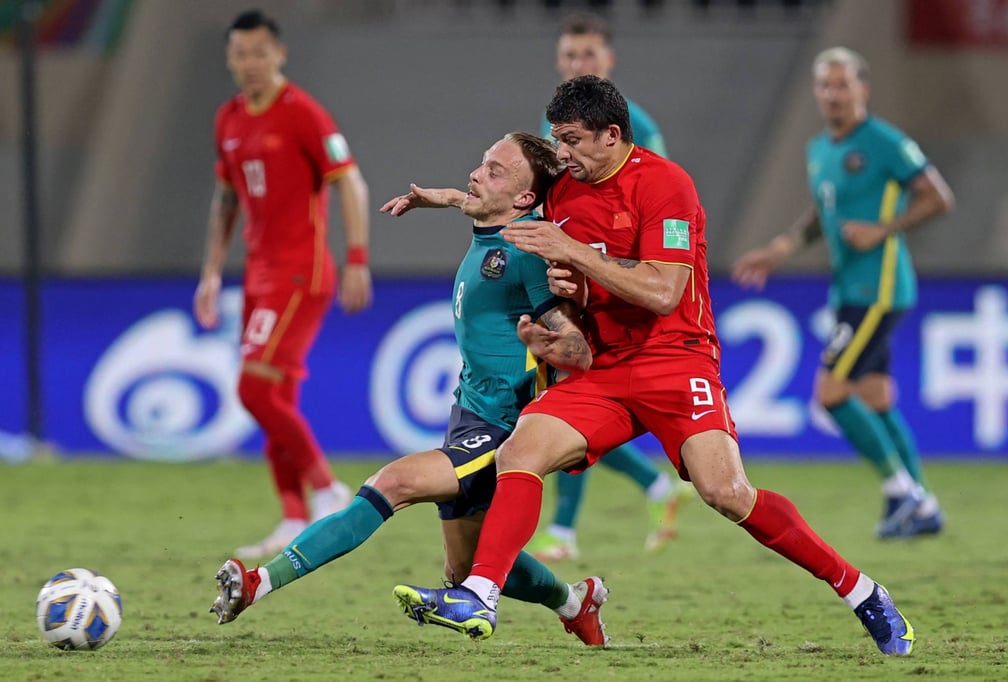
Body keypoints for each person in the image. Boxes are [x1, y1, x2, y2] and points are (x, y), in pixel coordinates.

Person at [391, 75, 916, 656]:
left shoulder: (667, 185)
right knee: (522, 450)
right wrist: (565, 297)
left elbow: (663, 291)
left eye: (570, 140)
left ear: (611, 135)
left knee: (726, 493)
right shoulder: (564, 190)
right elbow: (504, 205)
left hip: (675, 358)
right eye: (557, 140)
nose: (560, 154)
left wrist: (575, 256)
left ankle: (861, 590)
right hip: (606, 367)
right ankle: (479, 594)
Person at [209, 132, 610, 647]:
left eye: (494, 171)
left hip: (504, 429)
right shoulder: (494, 223)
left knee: (392, 484)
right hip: (468, 411)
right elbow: (468, 201)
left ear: (524, 200)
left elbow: (579, 350)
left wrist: (548, 342)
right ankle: (578, 601)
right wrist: (433, 198)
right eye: (482, 162)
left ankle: (256, 584)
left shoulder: (529, 251)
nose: (475, 175)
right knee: (464, 566)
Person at [731, 47, 954, 539]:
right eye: (825, 86)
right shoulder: (820, 149)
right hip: (850, 286)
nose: (833, 94)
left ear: (862, 89)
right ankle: (922, 506)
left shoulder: (884, 142)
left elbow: (938, 196)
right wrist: (781, 246)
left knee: (830, 394)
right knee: (874, 395)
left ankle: (904, 493)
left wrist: (884, 229)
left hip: (879, 286)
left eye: (842, 85)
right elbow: (822, 212)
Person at [193, 10, 372, 559]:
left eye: (259, 53)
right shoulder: (228, 118)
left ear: (279, 55)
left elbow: (351, 182)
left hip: (299, 273)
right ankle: (294, 515)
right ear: (229, 58)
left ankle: (327, 488)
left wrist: (357, 259)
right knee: (278, 397)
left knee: (252, 389)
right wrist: (211, 271)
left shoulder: (303, 114)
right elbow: (226, 200)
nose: (249, 63)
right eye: (240, 54)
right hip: (259, 272)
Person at [527, 10, 693, 564]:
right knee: (560, 401)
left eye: (589, 56)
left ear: (608, 61)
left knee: (571, 399)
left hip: (616, 288)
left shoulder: (633, 126)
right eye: (571, 55)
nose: (579, 63)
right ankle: (652, 486)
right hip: (572, 277)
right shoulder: (554, 129)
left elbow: (657, 208)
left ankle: (564, 529)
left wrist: (596, 264)